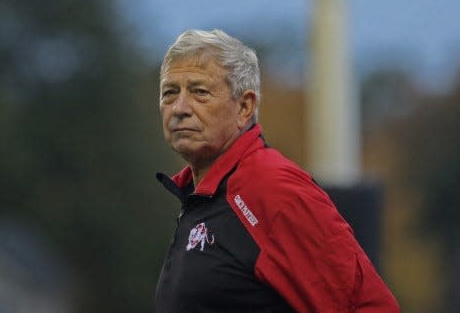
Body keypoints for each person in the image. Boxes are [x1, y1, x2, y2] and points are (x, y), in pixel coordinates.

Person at [154, 29, 399, 312]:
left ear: (245, 107)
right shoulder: (200, 195)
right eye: (170, 93)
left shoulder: (272, 190)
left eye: (200, 92)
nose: (180, 108)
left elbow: (367, 307)